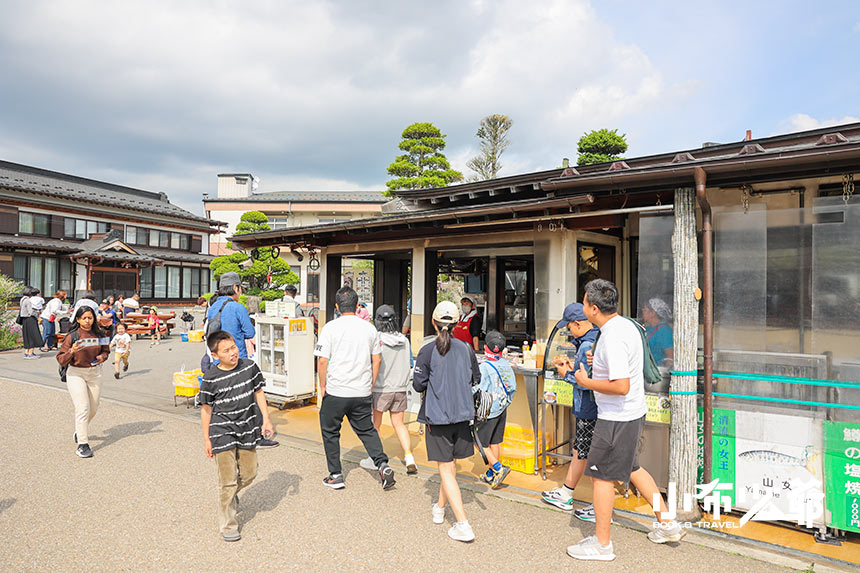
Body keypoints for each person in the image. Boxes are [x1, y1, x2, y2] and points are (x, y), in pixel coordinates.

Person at [567, 279, 684, 561]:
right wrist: (601, 363)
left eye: (584, 303)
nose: (583, 308)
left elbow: (621, 386)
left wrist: (586, 379)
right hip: (631, 413)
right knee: (633, 469)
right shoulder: (625, 326)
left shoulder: (612, 336)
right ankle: (667, 523)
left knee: (601, 478)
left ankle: (603, 544)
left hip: (616, 417)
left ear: (594, 308)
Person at [315, 286, 396, 491]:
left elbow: (323, 361)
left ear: (336, 306)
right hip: (361, 391)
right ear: (357, 305)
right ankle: (382, 464)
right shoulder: (369, 328)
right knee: (367, 430)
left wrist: (322, 386)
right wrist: (370, 383)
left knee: (330, 431)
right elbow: (376, 360)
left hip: (336, 390)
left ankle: (336, 475)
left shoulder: (330, 328)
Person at [413, 301, 481, 543]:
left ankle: (463, 523)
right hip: (463, 415)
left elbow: (418, 384)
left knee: (446, 469)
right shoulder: (466, 349)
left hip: (438, 416)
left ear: (433, 322)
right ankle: (439, 509)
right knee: (449, 466)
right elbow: (476, 378)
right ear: (455, 324)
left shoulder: (427, 350)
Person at [199, 330, 274, 542]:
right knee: (227, 481)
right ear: (215, 355)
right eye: (226, 350)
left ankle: (231, 495)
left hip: (247, 427)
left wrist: (266, 419)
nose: (233, 353)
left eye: (233, 347)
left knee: (250, 473)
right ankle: (228, 525)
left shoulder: (249, 367)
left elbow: (259, 392)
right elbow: (206, 409)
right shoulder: (210, 378)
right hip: (222, 431)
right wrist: (207, 438)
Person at [207, 273, 278, 449]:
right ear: (236, 288)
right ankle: (258, 437)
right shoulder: (237, 308)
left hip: (218, 362)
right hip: (237, 361)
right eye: (240, 289)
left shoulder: (213, 307)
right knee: (252, 397)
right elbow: (250, 333)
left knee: (226, 401)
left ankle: (228, 437)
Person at [542, 303, 599, 515]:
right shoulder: (597, 338)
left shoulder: (586, 346)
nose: (568, 331)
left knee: (589, 454)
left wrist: (566, 373)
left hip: (588, 407)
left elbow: (585, 382)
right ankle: (566, 493)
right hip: (595, 407)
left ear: (578, 324)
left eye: (569, 327)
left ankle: (598, 506)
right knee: (580, 450)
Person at [359, 305, 416, 474]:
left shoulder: (376, 339)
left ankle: (374, 458)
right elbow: (411, 363)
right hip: (400, 388)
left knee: (375, 425)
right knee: (399, 424)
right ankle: (409, 457)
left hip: (381, 388)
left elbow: (369, 362)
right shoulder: (404, 340)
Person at [56, 306, 110, 459]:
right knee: (83, 407)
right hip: (76, 374)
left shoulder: (100, 334)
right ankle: (83, 444)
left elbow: (106, 350)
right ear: (78, 319)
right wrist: (72, 351)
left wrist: (102, 358)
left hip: (94, 373)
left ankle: (80, 431)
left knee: (93, 409)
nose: (87, 321)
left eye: (90, 318)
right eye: (84, 318)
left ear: (94, 319)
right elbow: (61, 359)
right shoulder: (72, 336)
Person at [473, 330, 517, 489]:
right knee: (494, 441)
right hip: (501, 408)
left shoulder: (484, 367)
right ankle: (491, 474)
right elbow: (513, 388)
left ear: (486, 347)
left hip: (487, 411)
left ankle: (499, 468)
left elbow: (477, 389)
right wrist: (505, 402)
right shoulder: (506, 364)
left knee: (479, 441)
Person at [642, 298, 674, 364]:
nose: (642, 312)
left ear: (653, 312)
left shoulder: (665, 331)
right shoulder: (648, 328)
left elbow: (670, 357)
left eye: (645, 310)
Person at [18, 286, 43, 360]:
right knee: (33, 336)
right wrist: (37, 315)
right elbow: (31, 312)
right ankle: (30, 353)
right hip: (30, 319)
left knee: (27, 336)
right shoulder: (28, 300)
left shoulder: (22, 299)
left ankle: (26, 352)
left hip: (24, 320)